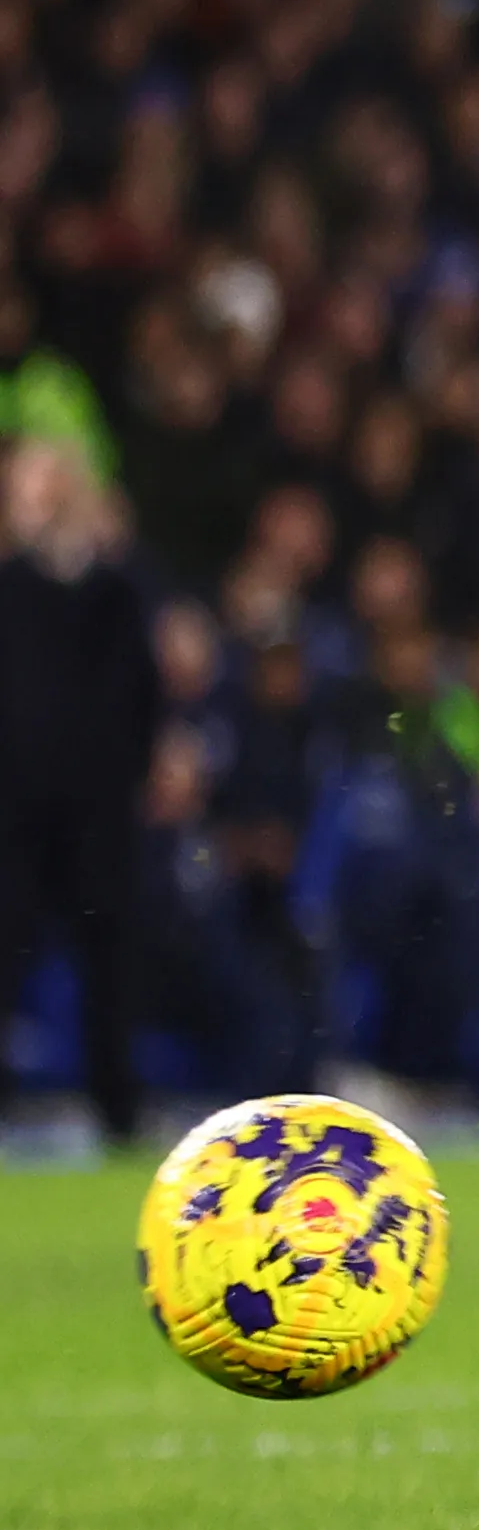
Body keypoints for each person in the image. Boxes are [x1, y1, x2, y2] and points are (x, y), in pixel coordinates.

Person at [0, 435, 161, 1144]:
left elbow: (145, 694)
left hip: (100, 807)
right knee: (7, 950)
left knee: (111, 958)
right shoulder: (10, 587)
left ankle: (117, 1107)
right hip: (17, 806)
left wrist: (137, 767)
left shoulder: (120, 590)